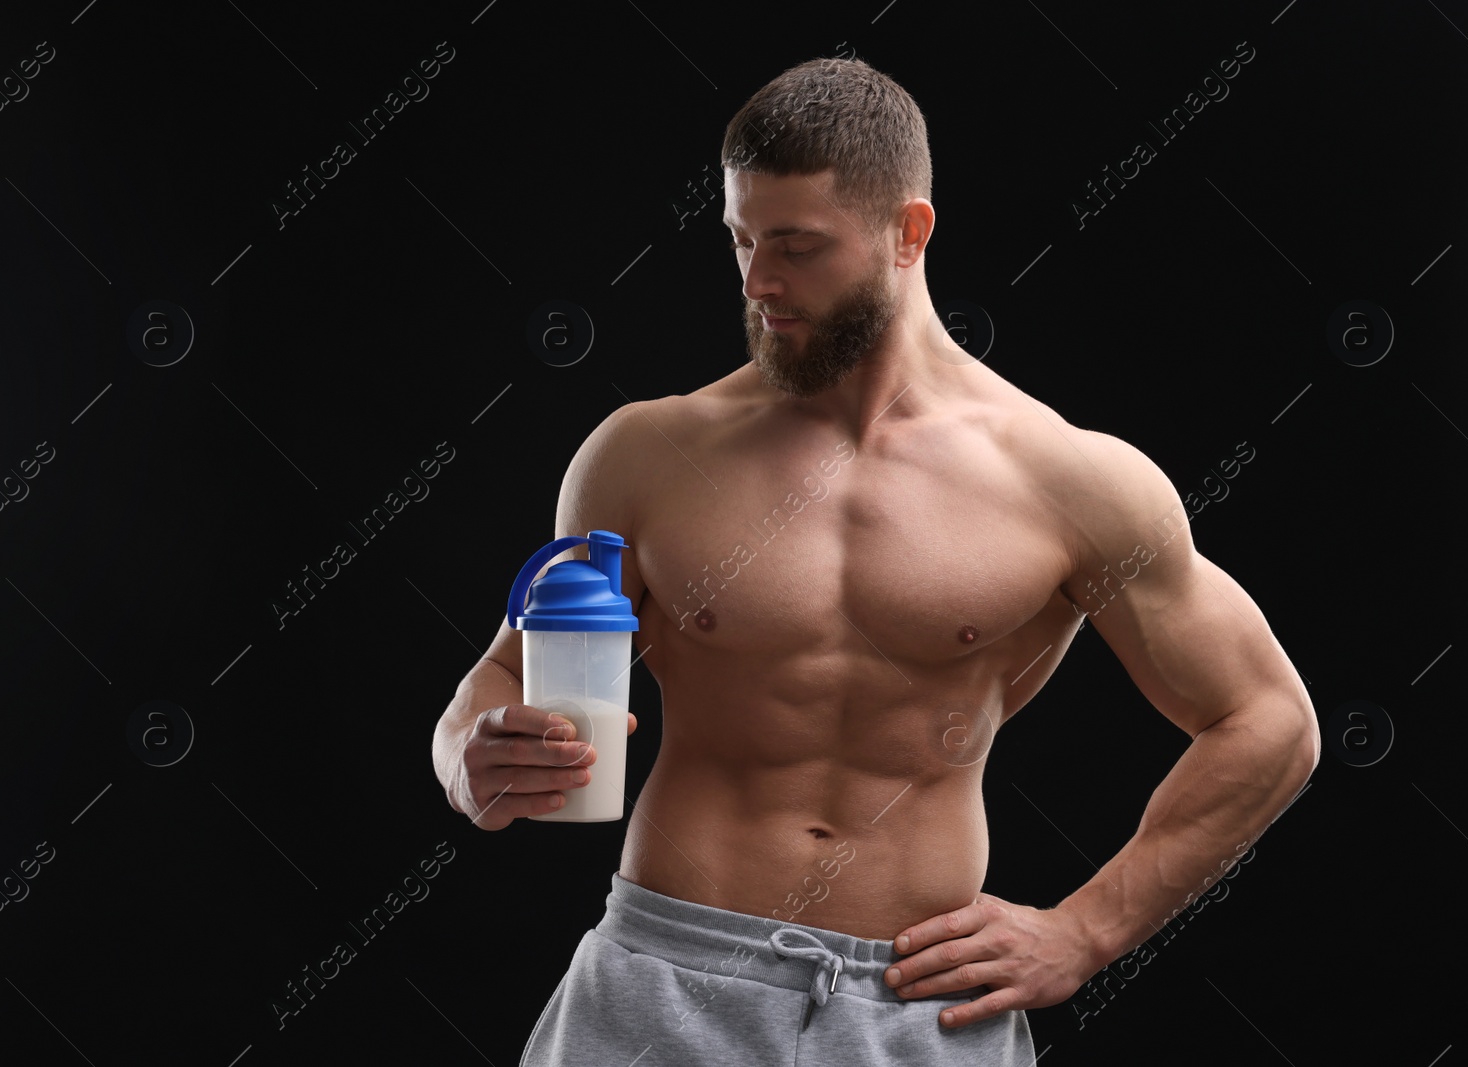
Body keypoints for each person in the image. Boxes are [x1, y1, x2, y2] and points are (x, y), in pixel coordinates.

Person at [431, 56, 1319, 1066]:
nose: (758, 281)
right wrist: (466, 749)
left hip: (918, 1009)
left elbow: (1269, 719)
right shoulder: (644, 454)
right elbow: (509, 668)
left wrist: (1088, 927)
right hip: (665, 981)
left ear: (908, 232)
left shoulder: (1068, 478)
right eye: (739, 238)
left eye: (797, 246)